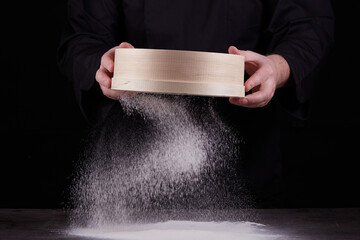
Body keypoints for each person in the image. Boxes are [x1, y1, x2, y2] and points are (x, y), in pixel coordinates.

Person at [58, 0, 334, 208]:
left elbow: (308, 23)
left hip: (248, 165)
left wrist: (277, 67)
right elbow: (82, 37)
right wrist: (103, 66)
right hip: (133, 174)